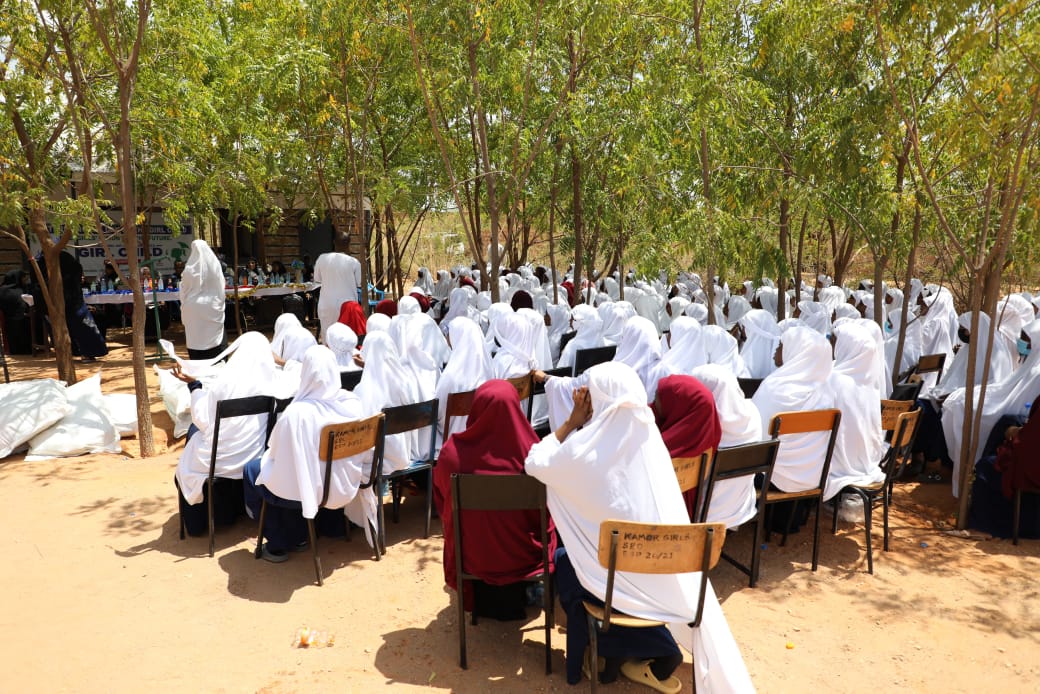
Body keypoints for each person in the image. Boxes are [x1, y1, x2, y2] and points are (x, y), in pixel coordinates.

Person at [525, 363, 753, 691]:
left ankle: (603, 650)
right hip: (660, 579)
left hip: (610, 583)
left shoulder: (583, 452)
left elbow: (535, 462)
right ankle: (643, 647)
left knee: (564, 560)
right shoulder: (652, 445)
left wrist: (572, 423)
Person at [433, 380, 557, 619]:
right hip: (526, 556)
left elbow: (441, 494)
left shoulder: (453, 454)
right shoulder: (534, 453)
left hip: (474, 557)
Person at [244, 345, 378, 562]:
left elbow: (276, 453)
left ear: (305, 372)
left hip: (312, 492)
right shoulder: (352, 403)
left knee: (253, 470)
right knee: (301, 468)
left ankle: (280, 542)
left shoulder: (296, 413)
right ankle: (323, 528)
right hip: (346, 484)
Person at [172, 332, 280, 536]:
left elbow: (202, 420)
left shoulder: (224, 385)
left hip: (218, 462)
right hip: (255, 457)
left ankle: (200, 521)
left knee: (192, 441)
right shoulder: (275, 384)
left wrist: (195, 387)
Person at [653, 374, 722, 520]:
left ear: (679, 406)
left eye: (661, 396)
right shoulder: (705, 437)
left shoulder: (656, 450)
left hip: (657, 517)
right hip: (688, 516)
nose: (655, 399)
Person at [435, 318, 492, 447]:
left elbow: (439, 413)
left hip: (455, 438)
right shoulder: (488, 368)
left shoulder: (451, 376)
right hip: (481, 437)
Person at [179, 240, 227, 360]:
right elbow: (221, 285)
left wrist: (187, 304)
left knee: (195, 334)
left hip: (192, 307)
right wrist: (218, 301)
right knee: (215, 334)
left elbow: (183, 289)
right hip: (212, 305)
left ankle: (197, 360)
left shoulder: (189, 269)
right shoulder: (215, 265)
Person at [313, 251, 362, 343]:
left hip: (327, 303)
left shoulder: (321, 258)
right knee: (347, 336)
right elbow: (360, 283)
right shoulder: (354, 262)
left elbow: (317, 279)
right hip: (347, 305)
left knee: (327, 335)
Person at [0, 269, 33, 355]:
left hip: (12, 321)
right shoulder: (21, 290)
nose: (25, 281)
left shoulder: (3, 290)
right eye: (23, 279)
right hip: (18, 320)